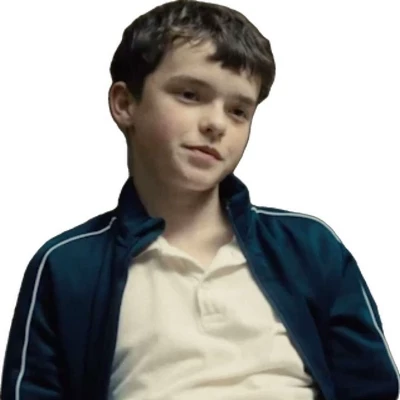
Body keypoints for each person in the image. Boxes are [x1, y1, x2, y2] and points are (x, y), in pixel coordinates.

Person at [1, 0, 399, 399]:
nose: (216, 124)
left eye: (239, 111)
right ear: (125, 104)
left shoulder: (310, 246)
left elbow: (372, 387)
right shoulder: (68, 266)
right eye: (190, 94)